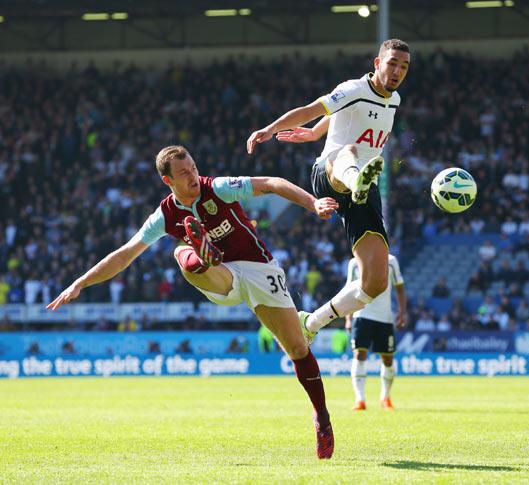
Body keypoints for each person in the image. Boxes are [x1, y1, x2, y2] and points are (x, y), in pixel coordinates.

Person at [47, 145, 339, 459]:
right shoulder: (164, 216)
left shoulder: (219, 188)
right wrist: (81, 282)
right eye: (184, 173)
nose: (194, 176)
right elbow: (125, 255)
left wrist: (313, 203)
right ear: (166, 179)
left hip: (259, 268)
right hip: (220, 275)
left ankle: (321, 417)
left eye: (194, 168)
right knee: (178, 253)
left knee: (296, 348)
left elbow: (271, 182)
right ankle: (200, 255)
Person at [246, 39, 410, 344]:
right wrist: (269, 129)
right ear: (377, 64)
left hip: (364, 187)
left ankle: (311, 321)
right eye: (392, 63)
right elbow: (312, 108)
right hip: (330, 172)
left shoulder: (395, 99)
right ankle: (357, 180)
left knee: (375, 282)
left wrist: (317, 132)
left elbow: (345, 115)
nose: (397, 70)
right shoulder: (354, 88)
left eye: (403, 66)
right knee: (348, 151)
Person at [344, 253, 406, 411]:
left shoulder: (391, 261)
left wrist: (402, 312)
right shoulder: (354, 262)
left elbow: (399, 288)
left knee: (388, 359)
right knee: (359, 354)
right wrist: (348, 317)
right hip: (361, 314)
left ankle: (385, 398)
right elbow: (349, 290)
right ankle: (360, 399)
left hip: (384, 317)